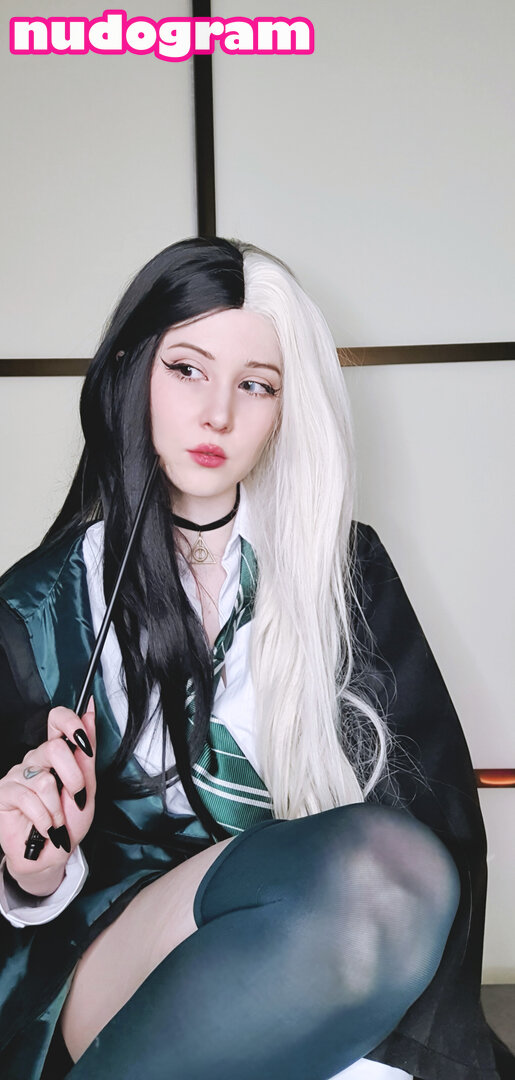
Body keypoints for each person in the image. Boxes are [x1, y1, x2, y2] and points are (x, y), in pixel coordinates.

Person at [0, 238, 511, 1080]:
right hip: (116, 957)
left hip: (312, 947)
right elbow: (23, 867)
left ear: (284, 406)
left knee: (392, 870)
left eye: (255, 385)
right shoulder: (42, 608)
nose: (218, 415)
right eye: (187, 370)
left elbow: (435, 822)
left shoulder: (343, 572)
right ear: (131, 373)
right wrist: (39, 869)